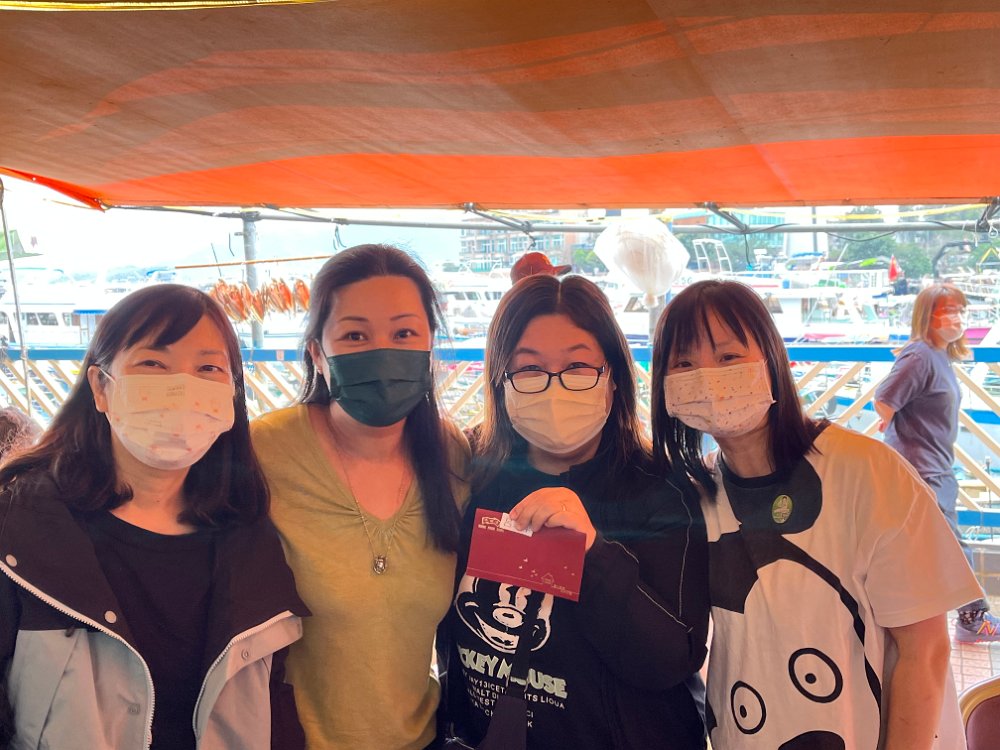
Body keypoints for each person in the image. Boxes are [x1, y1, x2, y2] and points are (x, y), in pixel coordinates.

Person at [650, 279, 984, 749]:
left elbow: (924, 649)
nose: (707, 378)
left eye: (728, 357)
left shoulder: (866, 472)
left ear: (772, 359)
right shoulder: (698, 493)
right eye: (684, 363)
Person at [0, 284, 308, 750]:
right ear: (101, 387)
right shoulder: (21, 529)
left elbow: (273, 704)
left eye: (208, 368)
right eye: (153, 364)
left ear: (230, 394)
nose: (182, 387)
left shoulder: (251, 539)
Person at [445, 274, 708, 750]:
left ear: (614, 376)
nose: (555, 386)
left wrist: (591, 551)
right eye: (529, 368)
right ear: (501, 380)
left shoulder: (659, 489)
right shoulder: (470, 474)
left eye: (579, 366)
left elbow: (671, 660)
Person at [251, 244, 469, 750]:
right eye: (355, 335)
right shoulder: (263, 451)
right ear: (317, 355)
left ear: (430, 346)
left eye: (404, 334)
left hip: (423, 740)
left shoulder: (451, 454)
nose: (382, 352)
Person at [874, 283, 997, 642]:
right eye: (948, 310)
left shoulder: (940, 356)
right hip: (921, 469)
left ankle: (911, 615)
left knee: (924, 546)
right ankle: (973, 618)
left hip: (935, 465)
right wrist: (891, 424)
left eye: (960, 310)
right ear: (927, 315)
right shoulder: (921, 355)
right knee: (951, 545)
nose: (956, 317)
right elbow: (884, 399)